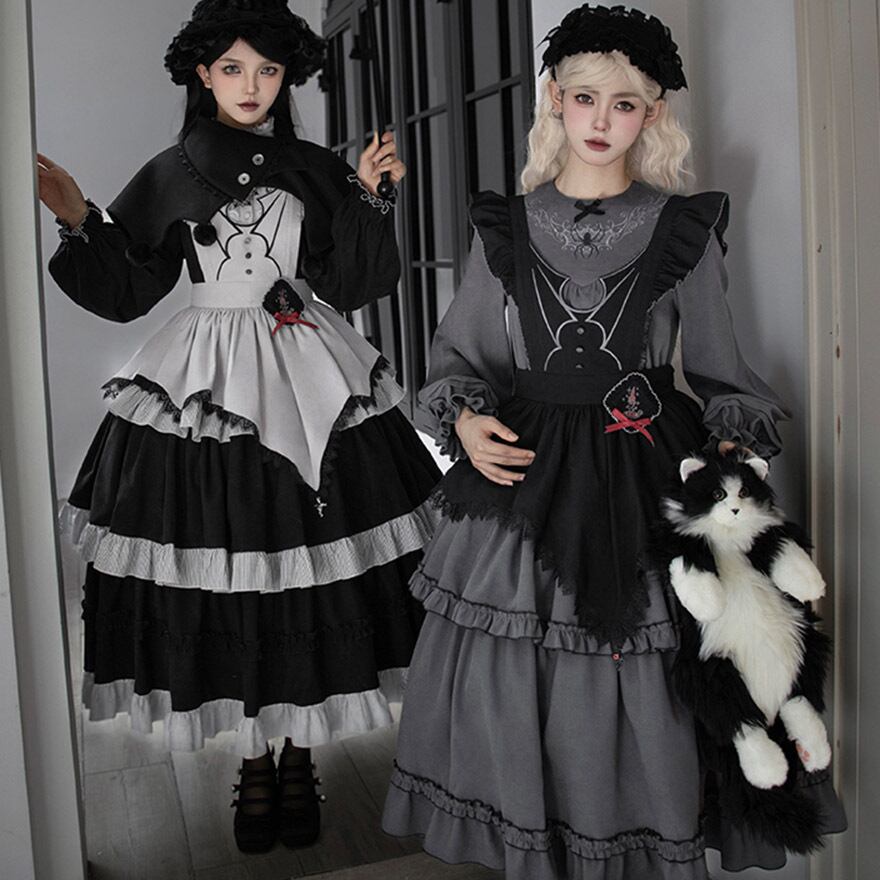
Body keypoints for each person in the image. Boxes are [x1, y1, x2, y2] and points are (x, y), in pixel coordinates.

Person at [382, 4, 841, 878]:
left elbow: (720, 370)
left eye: (624, 103)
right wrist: (467, 421)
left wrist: (733, 456)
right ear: (554, 100)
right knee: (525, 665)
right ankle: (542, 838)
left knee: (649, 658)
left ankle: (631, 838)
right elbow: (460, 356)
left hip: (647, 462)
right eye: (584, 97)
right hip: (526, 472)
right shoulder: (505, 225)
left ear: (652, 113)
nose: (600, 119)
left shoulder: (683, 228)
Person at [38, 0, 439, 855]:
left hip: (311, 363)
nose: (250, 85)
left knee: (307, 561)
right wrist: (76, 217)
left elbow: (355, 283)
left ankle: (298, 753)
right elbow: (127, 290)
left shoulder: (315, 168)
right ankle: (254, 759)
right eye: (231, 68)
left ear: (288, 76)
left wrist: (370, 197)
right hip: (207, 375)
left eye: (267, 69)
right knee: (231, 562)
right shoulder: (171, 170)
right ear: (201, 73)